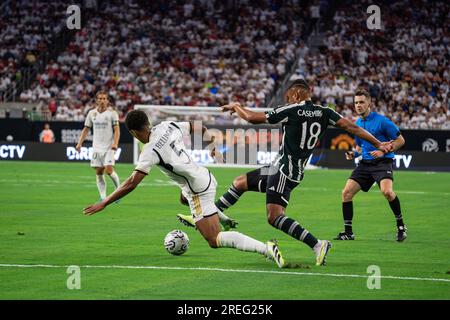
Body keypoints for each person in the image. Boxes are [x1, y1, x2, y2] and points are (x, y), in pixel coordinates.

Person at [178, 79, 392, 266]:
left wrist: (237, 106)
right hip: (284, 168)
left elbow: (252, 118)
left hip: (284, 171)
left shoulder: (292, 110)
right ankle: (211, 215)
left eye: (289, 96)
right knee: (240, 182)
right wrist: (378, 142)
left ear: (297, 94)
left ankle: (317, 244)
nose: (287, 100)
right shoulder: (325, 112)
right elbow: (353, 128)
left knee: (274, 217)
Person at [83, 110, 286, 268]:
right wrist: (211, 147)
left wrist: (104, 202)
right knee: (183, 198)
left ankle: (266, 248)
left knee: (213, 239)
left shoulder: (149, 151)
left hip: (198, 190)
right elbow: (197, 126)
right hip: (204, 176)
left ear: (134, 133)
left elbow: (131, 183)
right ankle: (221, 217)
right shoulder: (167, 126)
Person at [335, 88, 407, 241]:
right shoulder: (357, 123)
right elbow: (360, 148)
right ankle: (348, 232)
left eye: (361, 102)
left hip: (383, 162)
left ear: (369, 103)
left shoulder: (382, 121)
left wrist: (383, 151)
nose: (358, 105)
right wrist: (353, 154)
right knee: (346, 193)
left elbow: (401, 141)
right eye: (356, 103)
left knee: (387, 192)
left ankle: (401, 226)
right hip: (365, 164)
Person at [76, 91, 121, 201]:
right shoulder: (92, 113)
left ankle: (118, 192)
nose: (102, 101)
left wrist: (115, 143)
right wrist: (79, 143)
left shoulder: (112, 113)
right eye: (100, 98)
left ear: (107, 101)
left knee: (109, 171)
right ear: (97, 100)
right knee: (99, 172)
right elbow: (86, 129)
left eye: (104, 99)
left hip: (109, 147)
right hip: (96, 147)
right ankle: (103, 197)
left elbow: (117, 130)